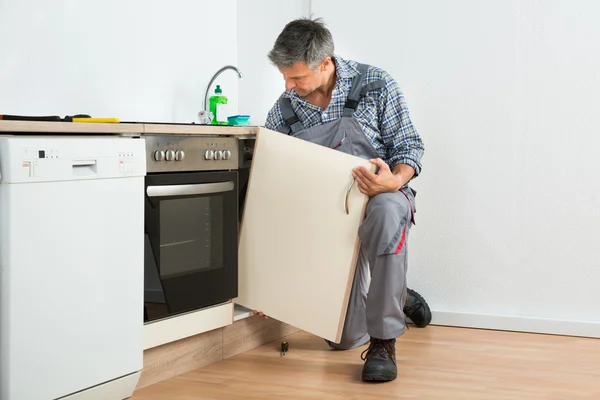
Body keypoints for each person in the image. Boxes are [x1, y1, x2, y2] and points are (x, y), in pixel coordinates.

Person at [253, 17, 431, 382]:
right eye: (284, 76)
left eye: (297, 77)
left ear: (325, 63)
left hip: (382, 197)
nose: (288, 85)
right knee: (342, 337)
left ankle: (384, 342)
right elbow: (272, 191)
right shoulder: (285, 110)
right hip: (325, 214)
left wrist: (393, 181)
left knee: (384, 214)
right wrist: (267, 281)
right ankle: (397, 297)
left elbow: (410, 146)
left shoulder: (376, 86)